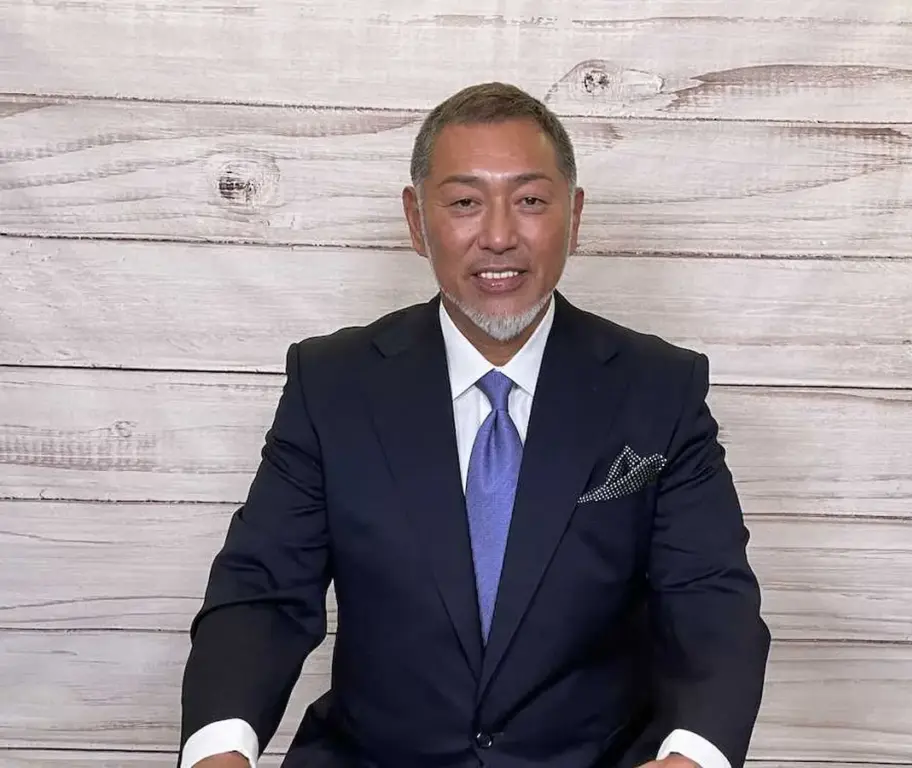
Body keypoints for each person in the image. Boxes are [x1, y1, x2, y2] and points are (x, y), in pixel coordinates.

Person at [178, 81, 770, 768]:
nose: (498, 236)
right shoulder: (332, 384)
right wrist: (219, 749)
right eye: (464, 203)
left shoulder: (660, 389)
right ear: (415, 219)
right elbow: (263, 593)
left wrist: (693, 757)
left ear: (574, 215)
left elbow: (710, 599)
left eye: (530, 201)